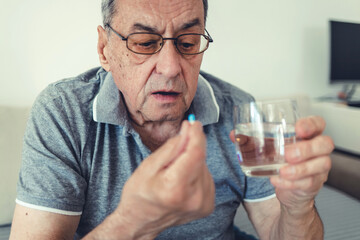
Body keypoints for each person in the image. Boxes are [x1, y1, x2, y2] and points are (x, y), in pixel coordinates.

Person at [10, 0, 333, 239]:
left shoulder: (239, 112)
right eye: (145, 43)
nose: (170, 67)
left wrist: (298, 206)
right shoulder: (62, 113)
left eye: (188, 42)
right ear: (105, 49)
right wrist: (134, 220)